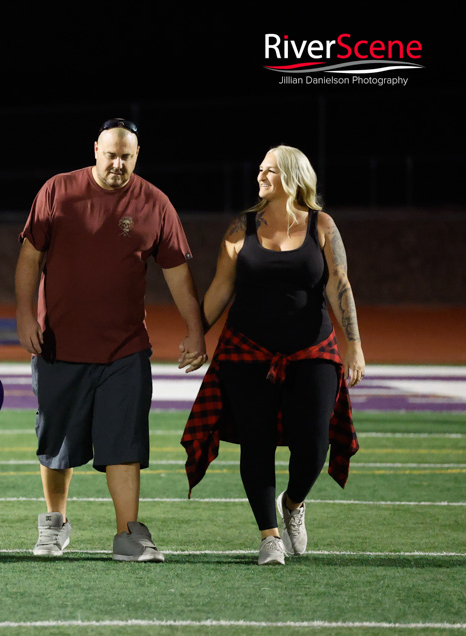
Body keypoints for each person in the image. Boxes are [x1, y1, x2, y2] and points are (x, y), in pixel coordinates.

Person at [15, 119, 206, 563]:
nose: (118, 163)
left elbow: (178, 271)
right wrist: (25, 315)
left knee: (125, 442)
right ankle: (54, 523)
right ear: (95, 149)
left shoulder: (155, 203)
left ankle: (128, 534)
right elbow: (30, 257)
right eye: (111, 154)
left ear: (136, 156)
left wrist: (195, 329)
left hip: (125, 349)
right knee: (56, 442)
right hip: (58, 345)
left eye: (127, 156)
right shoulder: (57, 191)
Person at [181, 145, 364, 566]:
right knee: (256, 443)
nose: (261, 176)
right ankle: (268, 536)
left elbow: (340, 284)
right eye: (260, 169)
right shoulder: (240, 228)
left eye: (270, 171)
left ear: (293, 176)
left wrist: (353, 343)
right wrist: (196, 335)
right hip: (247, 350)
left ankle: (294, 502)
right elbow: (221, 288)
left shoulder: (322, 225)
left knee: (314, 446)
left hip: (313, 350)